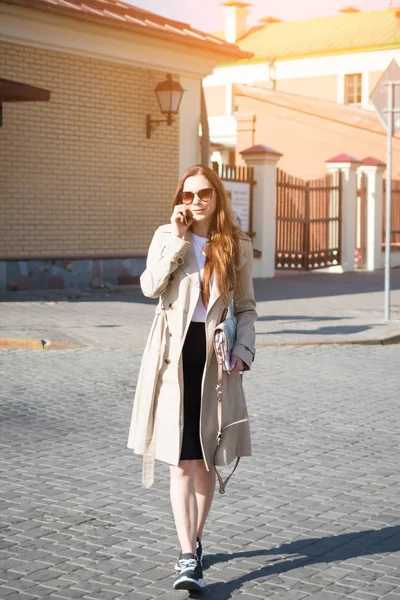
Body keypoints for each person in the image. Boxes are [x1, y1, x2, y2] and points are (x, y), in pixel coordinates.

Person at [127, 164, 257, 592]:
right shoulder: (168, 237)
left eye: (203, 194)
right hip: (172, 358)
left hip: (216, 359)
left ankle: (196, 539)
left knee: (205, 460)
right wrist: (180, 243)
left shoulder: (236, 245)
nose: (195, 202)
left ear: (217, 197)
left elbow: (246, 309)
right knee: (180, 462)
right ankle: (187, 555)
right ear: (179, 199)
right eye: (187, 195)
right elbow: (149, 287)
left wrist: (243, 351)